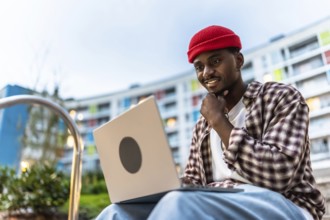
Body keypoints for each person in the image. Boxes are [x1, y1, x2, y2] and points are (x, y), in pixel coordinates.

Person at [96, 25, 325, 220]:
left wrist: (219, 121)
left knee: (179, 203)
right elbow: (194, 181)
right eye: (199, 66)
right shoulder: (202, 126)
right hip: (218, 201)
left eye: (215, 61)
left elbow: (279, 174)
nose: (206, 72)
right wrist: (158, 185)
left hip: (287, 204)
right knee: (116, 212)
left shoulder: (279, 97)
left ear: (238, 60)